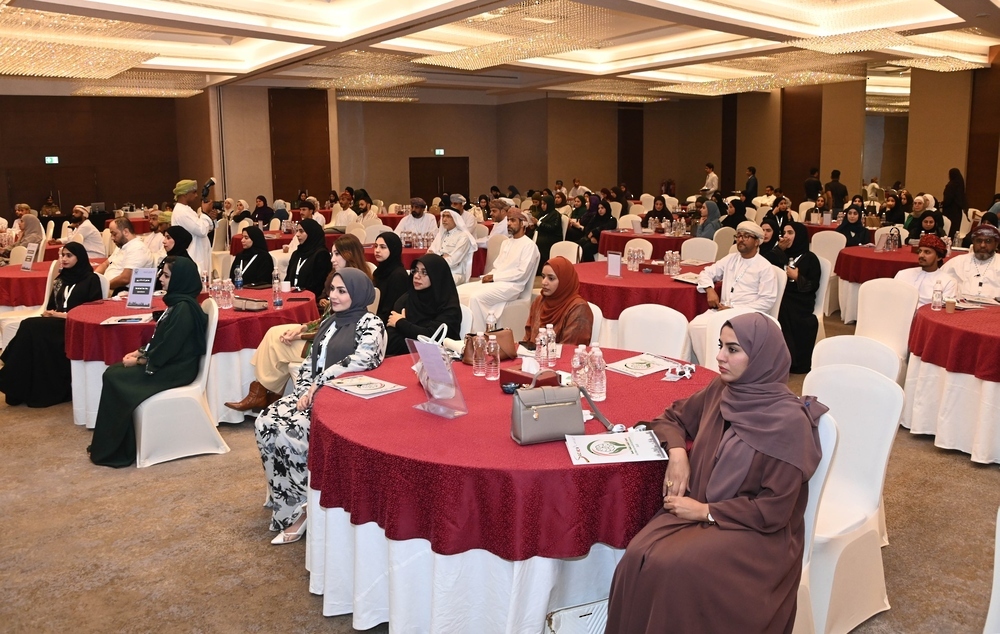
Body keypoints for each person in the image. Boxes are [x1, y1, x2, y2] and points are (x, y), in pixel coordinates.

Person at [605, 312, 825, 634]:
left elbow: (774, 510)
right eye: (721, 346)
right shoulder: (722, 390)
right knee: (638, 553)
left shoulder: (788, 424)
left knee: (675, 567)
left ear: (762, 357)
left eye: (733, 349)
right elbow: (671, 418)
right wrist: (678, 453)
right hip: (704, 509)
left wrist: (706, 511)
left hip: (757, 533)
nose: (720, 356)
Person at [255, 268, 386, 544]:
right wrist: (304, 391)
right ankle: (287, 499)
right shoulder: (331, 323)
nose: (334, 296)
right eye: (333, 290)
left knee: (289, 430)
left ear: (359, 294)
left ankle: (305, 510)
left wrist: (318, 385)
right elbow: (309, 364)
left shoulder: (371, 324)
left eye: (342, 291)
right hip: (314, 394)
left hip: (345, 402)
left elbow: (363, 361)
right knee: (266, 421)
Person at [88, 258, 208, 467]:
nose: (160, 279)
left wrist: (142, 360)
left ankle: (115, 450)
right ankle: (113, 445)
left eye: (167, 276)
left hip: (178, 370)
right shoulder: (179, 303)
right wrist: (140, 352)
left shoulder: (184, 309)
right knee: (115, 372)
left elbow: (169, 347)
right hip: (172, 363)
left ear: (180, 279)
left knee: (114, 377)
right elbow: (163, 341)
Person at [0, 243, 104, 407]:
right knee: (30, 329)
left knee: (29, 327)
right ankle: (17, 384)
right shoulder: (60, 279)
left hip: (74, 325)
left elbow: (91, 312)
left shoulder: (91, 280)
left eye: (69, 255)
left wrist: (60, 315)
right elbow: (50, 305)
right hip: (54, 322)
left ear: (80, 257)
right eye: (63, 255)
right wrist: (49, 313)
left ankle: (10, 378)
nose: (64, 259)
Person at [688, 221, 779, 364]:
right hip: (722, 310)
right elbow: (706, 273)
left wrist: (735, 310)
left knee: (713, 329)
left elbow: (767, 301)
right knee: (695, 326)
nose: (741, 239)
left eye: (746, 236)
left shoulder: (764, 267)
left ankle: (719, 369)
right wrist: (709, 289)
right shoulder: (731, 259)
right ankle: (709, 367)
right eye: (739, 235)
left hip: (747, 315)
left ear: (757, 242)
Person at [457, 208, 540, 332]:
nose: (509, 223)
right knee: (459, 290)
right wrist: (488, 277)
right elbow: (498, 267)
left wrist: (494, 278)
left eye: (513, 220)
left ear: (523, 223)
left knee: (476, 297)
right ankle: (462, 332)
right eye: (508, 220)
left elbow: (521, 274)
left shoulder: (529, 246)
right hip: (496, 282)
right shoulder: (506, 243)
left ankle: (477, 337)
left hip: (512, 286)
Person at [767, 222, 821, 374]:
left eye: (790, 233)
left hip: (801, 300)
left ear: (799, 236)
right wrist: (778, 250)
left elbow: (813, 285)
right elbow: (765, 266)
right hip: (782, 295)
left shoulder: (810, 258)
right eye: (784, 233)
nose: (786, 236)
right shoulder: (782, 254)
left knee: (784, 309)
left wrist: (798, 277)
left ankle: (788, 360)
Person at [385, 254, 463, 356]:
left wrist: (402, 324)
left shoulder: (449, 307)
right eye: (415, 270)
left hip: (441, 362)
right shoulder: (406, 300)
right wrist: (416, 334)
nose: (417, 276)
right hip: (404, 359)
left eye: (424, 272)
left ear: (437, 276)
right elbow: (391, 340)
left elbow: (434, 338)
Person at [524, 256, 593, 346]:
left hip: (560, 359)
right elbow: (527, 339)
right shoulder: (539, 301)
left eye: (551, 278)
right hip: (533, 357)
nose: (544, 282)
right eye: (543, 276)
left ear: (564, 281)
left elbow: (569, 350)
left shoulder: (579, 309)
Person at [94, 218, 155, 295]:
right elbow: (105, 264)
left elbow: (125, 279)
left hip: (120, 292)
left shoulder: (137, 248)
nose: (112, 238)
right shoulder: (122, 246)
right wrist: (94, 277)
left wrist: (102, 286)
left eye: (114, 234)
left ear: (125, 232)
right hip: (108, 287)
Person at [895, 234, 957, 307]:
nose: (921, 255)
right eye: (920, 251)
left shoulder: (948, 282)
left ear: (939, 257)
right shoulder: (902, 274)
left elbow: (943, 310)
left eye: (927, 252)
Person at [943, 223, 1000, 299]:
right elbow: (939, 284)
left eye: (988, 241)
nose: (983, 245)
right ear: (973, 242)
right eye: (979, 241)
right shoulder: (956, 263)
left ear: (996, 244)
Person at [170, 179, 213, 274]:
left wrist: (208, 216)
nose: (196, 195)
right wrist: (205, 213)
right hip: (194, 254)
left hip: (198, 251)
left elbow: (203, 227)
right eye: (194, 192)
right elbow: (201, 230)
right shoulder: (182, 212)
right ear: (185, 194)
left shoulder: (186, 210)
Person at [286, 219, 332, 305]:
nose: (297, 235)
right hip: (291, 298)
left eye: (301, 231)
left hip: (310, 300)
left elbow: (319, 285)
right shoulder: (296, 254)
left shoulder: (321, 254)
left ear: (311, 233)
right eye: (297, 231)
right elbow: (288, 278)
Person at [428, 208, 477, 285]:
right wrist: (442, 256)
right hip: (437, 270)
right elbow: (429, 255)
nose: (444, 219)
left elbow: (453, 261)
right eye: (443, 216)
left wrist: (436, 257)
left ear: (456, 218)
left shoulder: (463, 237)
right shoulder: (440, 234)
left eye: (448, 216)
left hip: (455, 273)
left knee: (436, 282)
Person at [372, 232, 410, 324]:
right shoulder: (379, 271)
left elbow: (391, 310)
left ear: (393, 249)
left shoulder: (398, 276)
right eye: (376, 246)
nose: (377, 250)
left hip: (389, 324)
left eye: (383, 247)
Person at [533, 194, 563, 274]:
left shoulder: (555, 214)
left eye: (544, 204)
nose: (542, 206)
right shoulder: (542, 213)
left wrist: (538, 223)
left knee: (539, 242)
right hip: (543, 234)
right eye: (542, 204)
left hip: (552, 236)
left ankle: (540, 269)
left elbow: (552, 228)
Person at [941, 168, 966, 238]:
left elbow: (948, 198)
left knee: (949, 228)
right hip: (958, 211)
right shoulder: (961, 185)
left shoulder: (951, 185)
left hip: (950, 210)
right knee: (955, 229)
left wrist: (943, 204)